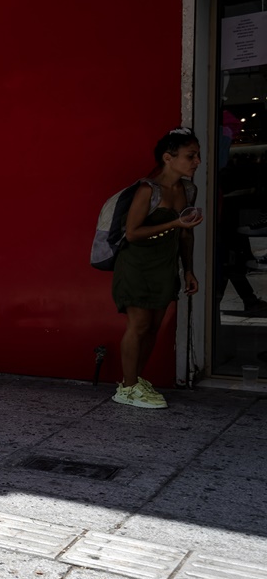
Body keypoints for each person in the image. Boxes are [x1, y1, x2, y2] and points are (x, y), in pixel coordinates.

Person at [111, 128, 204, 408]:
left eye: (197, 155)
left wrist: (188, 269)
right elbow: (132, 233)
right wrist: (174, 224)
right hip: (137, 266)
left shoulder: (188, 189)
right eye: (191, 156)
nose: (197, 161)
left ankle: (135, 380)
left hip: (165, 268)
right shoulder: (147, 189)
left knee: (153, 328)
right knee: (138, 325)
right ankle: (126, 389)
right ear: (168, 157)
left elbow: (187, 235)